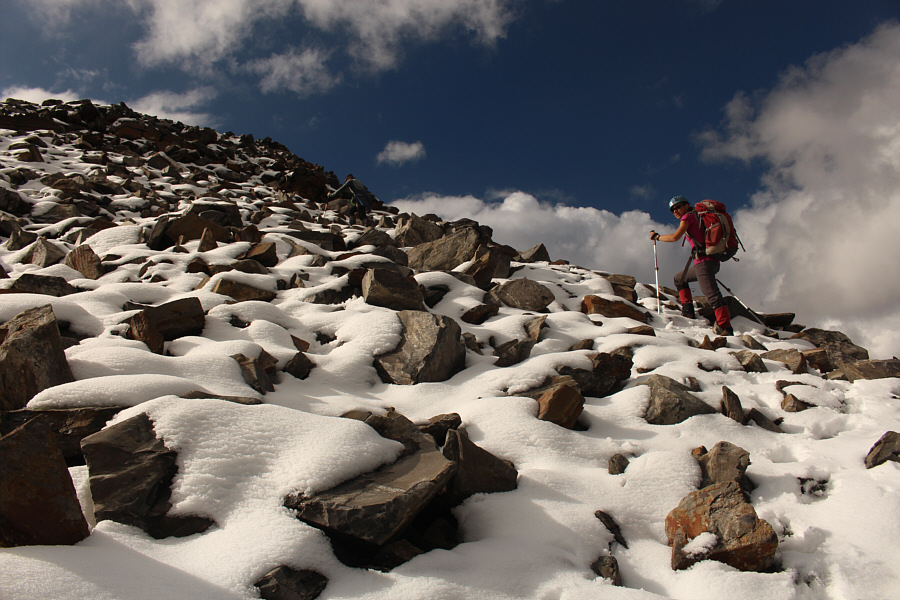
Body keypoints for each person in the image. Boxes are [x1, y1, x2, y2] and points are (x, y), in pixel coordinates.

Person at [650, 195, 733, 335]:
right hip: (711, 262)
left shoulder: (688, 217)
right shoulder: (697, 216)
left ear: (686, 205)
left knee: (712, 295)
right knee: (679, 279)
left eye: (678, 207)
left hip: (704, 264)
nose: (675, 211)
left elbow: (675, 237)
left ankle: (726, 327)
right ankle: (688, 312)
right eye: (673, 209)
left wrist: (657, 237)